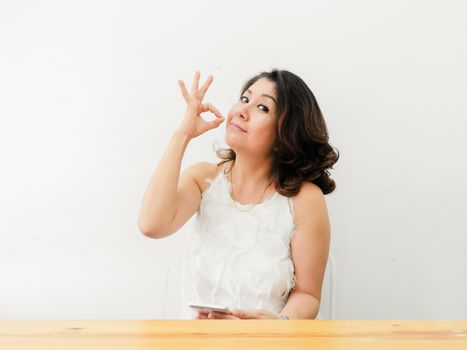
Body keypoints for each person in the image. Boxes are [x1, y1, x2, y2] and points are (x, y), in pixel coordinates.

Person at [138, 69, 339, 320]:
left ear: (286, 133)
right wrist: (183, 135)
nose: (243, 110)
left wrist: (276, 327)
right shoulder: (204, 180)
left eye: (263, 108)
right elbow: (151, 225)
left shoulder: (305, 199)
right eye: (245, 99)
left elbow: (308, 295)